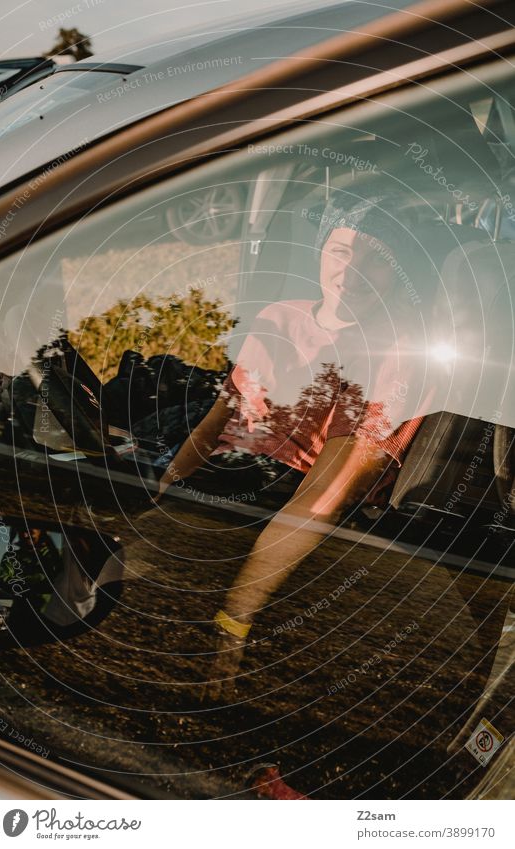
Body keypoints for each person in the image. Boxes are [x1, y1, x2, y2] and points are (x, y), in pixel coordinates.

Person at [151, 193, 430, 701]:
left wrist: (236, 616)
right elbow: (218, 420)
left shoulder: (393, 356)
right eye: (342, 252)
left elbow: (324, 498)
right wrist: (160, 494)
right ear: (320, 251)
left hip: (278, 510)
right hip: (218, 485)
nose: (351, 273)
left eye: (377, 262)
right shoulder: (280, 316)